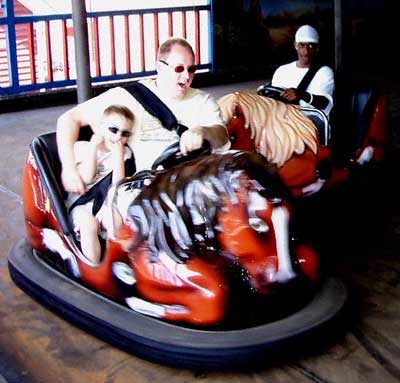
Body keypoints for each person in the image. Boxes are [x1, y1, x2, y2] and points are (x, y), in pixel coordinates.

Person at [57, 37, 230, 196]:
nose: (186, 76)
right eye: (179, 68)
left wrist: (203, 131)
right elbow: (69, 119)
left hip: (193, 186)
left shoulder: (203, 101)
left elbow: (221, 137)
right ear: (160, 67)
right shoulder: (128, 97)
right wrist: (69, 169)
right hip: (146, 190)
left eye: (191, 69)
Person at [65, 105, 135, 263]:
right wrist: (93, 147)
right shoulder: (82, 148)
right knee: (89, 225)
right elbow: (87, 177)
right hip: (80, 203)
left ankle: (114, 264)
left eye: (125, 133)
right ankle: (93, 267)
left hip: (107, 203)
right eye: (113, 130)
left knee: (116, 221)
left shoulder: (125, 154)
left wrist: (118, 156)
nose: (118, 137)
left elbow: (118, 185)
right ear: (101, 128)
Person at [271, 24, 335, 117]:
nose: (306, 51)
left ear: (317, 48)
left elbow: (324, 104)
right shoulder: (281, 71)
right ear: (295, 45)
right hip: (285, 120)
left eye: (310, 46)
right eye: (301, 45)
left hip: (312, 122)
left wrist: (301, 94)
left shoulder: (324, 72)